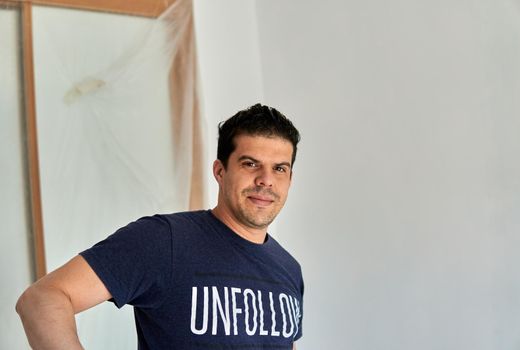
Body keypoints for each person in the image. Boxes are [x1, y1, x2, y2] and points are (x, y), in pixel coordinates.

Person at [16, 103, 304, 350]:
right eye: (250, 164)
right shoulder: (165, 240)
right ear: (220, 171)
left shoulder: (288, 269)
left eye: (280, 168)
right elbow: (42, 300)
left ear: (289, 180)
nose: (266, 180)